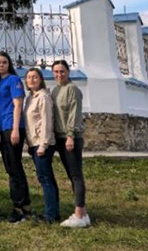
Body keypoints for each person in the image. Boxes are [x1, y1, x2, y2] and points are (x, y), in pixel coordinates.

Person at [0, 51, 32, 222]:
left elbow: (18, 105)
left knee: (14, 167)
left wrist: (16, 129)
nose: (1, 65)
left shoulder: (13, 80)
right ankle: (22, 203)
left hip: (12, 127)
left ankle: (20, 207)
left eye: (4, 62)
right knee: (10, 168)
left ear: (9, 64)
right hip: (3, 128)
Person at [52, 60, 90, 228]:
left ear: (68, 72)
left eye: (62, 71)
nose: (59, 75)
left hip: (71, 137)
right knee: (71, 175)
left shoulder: (72, 89)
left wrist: (70, 136)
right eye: (56, 72)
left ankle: (79, 215)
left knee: (76, 175)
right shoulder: (55, 90)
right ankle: (83, 213)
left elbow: (74, 114)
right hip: (60, 137)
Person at [23, 67, 59, 224]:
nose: (31, 80)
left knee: (45, 178)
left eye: (35, 77)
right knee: (46, 177)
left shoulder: (43, 97)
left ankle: (50, 215)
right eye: (29, 77)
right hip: (34, 142)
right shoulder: (30, 98)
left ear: (41, 79)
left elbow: (46, 121)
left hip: (42, 143)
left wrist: (43, 145)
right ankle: (54, 211)